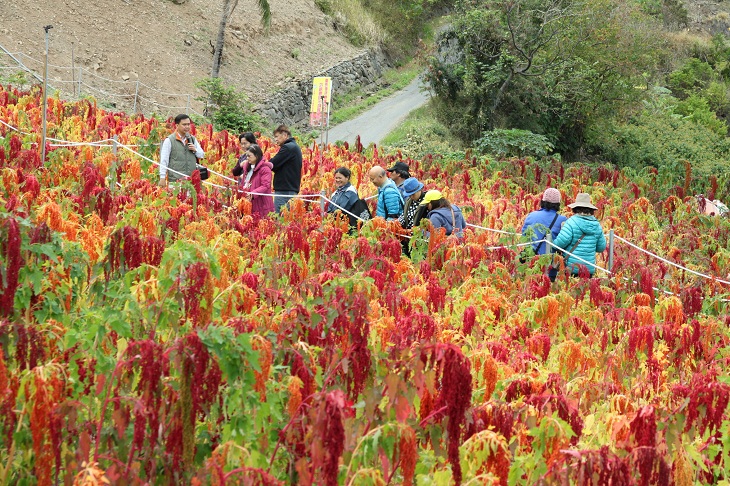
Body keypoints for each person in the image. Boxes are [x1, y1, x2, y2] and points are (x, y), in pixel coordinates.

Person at [552, 193, 607, 277]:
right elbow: (601, 248)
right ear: (590, 209)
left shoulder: (571, 222)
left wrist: (551, 242)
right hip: (589, 270)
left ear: (575, 208)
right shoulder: (597, 225)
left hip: (571, 268)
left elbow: (559, 244)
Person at [159, 114, 205, 185]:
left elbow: (201, 155)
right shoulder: (170, 140)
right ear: (177, 126)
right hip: (175, 181)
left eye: (188, 124)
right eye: (184, 124)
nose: (187, 127)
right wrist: (162, 177)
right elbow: (164, 160)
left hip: (190, 181)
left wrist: (195, 150)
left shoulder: (192, 139)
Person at [232, 144, 273, 218]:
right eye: (246, 156)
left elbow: (265, 185)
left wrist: (253, 194)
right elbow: (244, 183)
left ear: (256, 156)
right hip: (247, 202)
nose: (247, 158)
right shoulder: (247, 167)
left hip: (260, 203)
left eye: (249, 156)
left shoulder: (265, 169)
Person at [269, 125, 303, 213]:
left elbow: (273, 163)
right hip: (290, 189)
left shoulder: (287, 147)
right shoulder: (294, 147)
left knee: (279, 220)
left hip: (284, 191)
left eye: (276, 136)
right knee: (287, 220)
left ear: (285, 135)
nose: (275, 139)